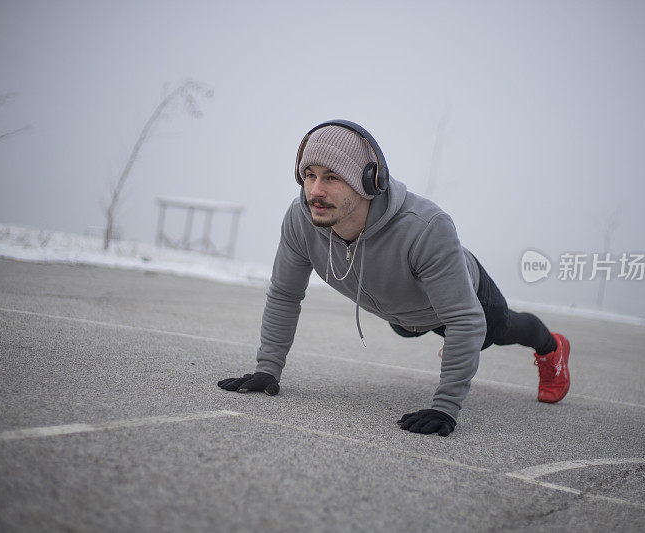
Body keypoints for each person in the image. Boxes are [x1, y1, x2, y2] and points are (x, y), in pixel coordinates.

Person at [217, 120, 570, 437]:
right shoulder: (300, 220)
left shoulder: (426, 228)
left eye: (332, 177)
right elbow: (284, 295)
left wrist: (444, 407)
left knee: (498, 330)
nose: (315, 191)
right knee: (407, 327)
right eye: (309, 175)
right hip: (401, 311)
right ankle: (433, 332)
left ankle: (551, 347)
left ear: (368, 182)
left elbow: (465, 318)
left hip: (462, 294)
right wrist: (268, 369)